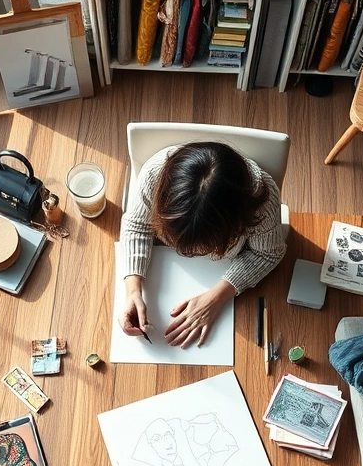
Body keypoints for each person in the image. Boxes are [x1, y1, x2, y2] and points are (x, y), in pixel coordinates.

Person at [119, 142, 287, 348]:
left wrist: (216, 297)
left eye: (204, 247)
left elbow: (268, 253)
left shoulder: (264, 202)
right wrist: (133, 290)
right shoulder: (154, 177)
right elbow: (136, 226)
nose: (190, 254)